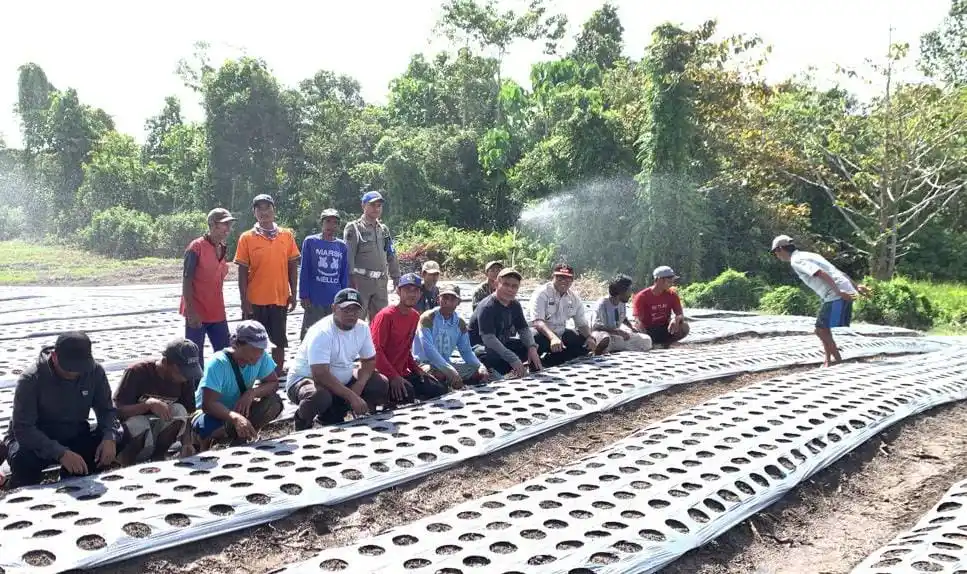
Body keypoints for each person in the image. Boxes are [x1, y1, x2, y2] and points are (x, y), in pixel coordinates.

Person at [4, 332, 121, 488]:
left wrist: (109, 436)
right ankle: (21, 488)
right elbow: (23, 428)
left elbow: (107, 410)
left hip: (73, 432)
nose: (74, 373)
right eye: (68, 368)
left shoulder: (94, 372)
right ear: (54, 356)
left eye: (79, 369)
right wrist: (60, 453)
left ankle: (77, 482)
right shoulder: (32, 379)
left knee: (112, 440)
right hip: (36, 439)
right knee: (23, 459)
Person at [286, 288, 390, 430]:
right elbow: (320, 374)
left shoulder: (362, 328)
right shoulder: (322, 332)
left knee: (379, 383)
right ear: (334, 308)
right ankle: (302, 421)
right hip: (307, 379)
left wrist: (359, 384)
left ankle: (339, 412)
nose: (351, 315)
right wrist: (352, 396)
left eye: (355, 310)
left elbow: (369, 361)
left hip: (341, 379)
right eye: (346, 310)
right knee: (319, 397)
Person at [771, 235, 870, 367]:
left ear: (780, 249)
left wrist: (839, 292)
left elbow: (821, 273)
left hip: (836, 294)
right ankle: (828, 361)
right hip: (842, 290)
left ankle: (838, 362)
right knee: (824, 329)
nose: (776, 256)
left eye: (775, 253)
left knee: (820, 330)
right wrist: (855, 286)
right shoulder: (809, 255)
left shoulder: (797, 260)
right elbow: (837, 272)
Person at [235, 194, 301, 374]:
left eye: (267, 208)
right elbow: (241, 271)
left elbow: (292, 266)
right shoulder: (246, 238)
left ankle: (276, 374)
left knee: (279, 340)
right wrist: (243, 299)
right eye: (259, 209)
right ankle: (249, 374)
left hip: (279, 298)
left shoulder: (286, 235)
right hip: (255, 299)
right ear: (254, 212)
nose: (264, 212)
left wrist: (293, 293)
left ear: (274, 210)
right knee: (249, 340)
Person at [192, 321, 284, 449]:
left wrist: (252, 393)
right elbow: (208, 405)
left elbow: (273, 383)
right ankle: (209, 443)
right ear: (237, 345)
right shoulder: (218, 363)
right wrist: (235, 418)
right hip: (211, 414)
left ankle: (242, 436)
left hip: (238, 410)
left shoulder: (261, 357)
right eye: (254, 349)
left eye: (262, 349)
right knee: (212, 428)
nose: (259, 354)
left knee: (273, 402)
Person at [114, 339, 202, 465]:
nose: (184, 377)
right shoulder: (138, 372)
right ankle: (126, 464)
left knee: (179, 410)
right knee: (139, 423)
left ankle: (159, 457)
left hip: (158, 432)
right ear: (165, 362)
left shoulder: (186, 379)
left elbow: (187, 413)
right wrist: (147, 406)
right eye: (180, 372)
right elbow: (117, 410)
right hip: (132, 435)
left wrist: (186, 443)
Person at [370, 273, 448, 404]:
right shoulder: (386, 316)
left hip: (402, 372)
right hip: (382, 373)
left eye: (416, 290)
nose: (411, 294)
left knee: (439, 389)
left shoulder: (414, 316)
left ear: (420, 294)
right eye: (407, 290)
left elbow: (406, 349)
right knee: (408, 394)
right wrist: (393, 376)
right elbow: (375, 352)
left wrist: (417, 370)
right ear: (398, 291)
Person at [181, 207, 235, 366]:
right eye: (224, 224)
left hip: (217, 310)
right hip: (197, 311)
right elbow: (187, 280)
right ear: (212, 225)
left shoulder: (222, 248)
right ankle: (197, 389)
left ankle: (223, 386)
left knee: (225, 353)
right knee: (194, 357)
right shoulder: (196, 247)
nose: (228, 229)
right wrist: (191, 311)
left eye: (229, 225)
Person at [468, 268, 543, 378]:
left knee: (536, 342)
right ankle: (503, 371)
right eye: (506, 285)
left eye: (514, 286)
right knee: (492, 355)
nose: (510, 289)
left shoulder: (515, 304)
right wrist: (513, 358)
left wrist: (532, 347)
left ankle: (519, 368)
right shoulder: (487, 307)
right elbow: (489, 339)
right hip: (482, 347)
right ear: (496, 284)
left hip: (502, 343)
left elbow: (523, 329)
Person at [413, 284, 490, 388]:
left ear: (458, 302)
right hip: (424, 363)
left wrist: (480, 365)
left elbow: (466, 351)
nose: (448, 302)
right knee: (437, 376)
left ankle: (454, 382)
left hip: (446, 364)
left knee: (481, 373)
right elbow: (429, 350)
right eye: (445, 298)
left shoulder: (460, 323)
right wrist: (450, 371)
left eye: (452, 299)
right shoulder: (428, 318)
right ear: (438, 299)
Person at [529, 263, 604, 367]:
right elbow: (538, 322)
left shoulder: (574, 297)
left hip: (560, 333)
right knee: (535, 339)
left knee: (583, 342)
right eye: (560, 278)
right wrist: (553, 338)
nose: (564, 281)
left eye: (568, 278)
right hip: (541, 333)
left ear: (572, 280)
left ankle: (549, 362)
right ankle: (532, 364)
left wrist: (589, 337)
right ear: (553, 277)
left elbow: (581, 323)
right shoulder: (542, 293)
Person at [344, 190, 401, 320]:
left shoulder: (384, 229)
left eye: (379, 205)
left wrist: (396, 276)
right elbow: (349, 256)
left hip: (381, 282)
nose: (376, 208)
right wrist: (351, 281)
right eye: (372, 205)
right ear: (363, 206)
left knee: (381, 320)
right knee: (357, 319)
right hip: (361, 281)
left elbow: (391, 253)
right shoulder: (354, 228)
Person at [299, 208, 350, 339]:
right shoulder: (311, 242)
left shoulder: (342, 246)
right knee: (311, 334)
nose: (330, 225)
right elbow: (305, 269)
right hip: (315, 298)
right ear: (321, 223)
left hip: (334, 298)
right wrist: (304, 294)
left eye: (334, 222)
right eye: (327, 221)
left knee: (333, 334)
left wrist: (344, 298)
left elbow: (344, 274)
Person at [592, 275, 653, 353]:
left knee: (646, 340)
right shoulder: (602, 304)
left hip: (617, 336)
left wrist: (631, 327)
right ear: (621, 292)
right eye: (629, 290)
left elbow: (623, 317)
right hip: (604, 335)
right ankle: (602, 349)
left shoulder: (622, 302)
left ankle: (615, 348)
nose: (631, 293)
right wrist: (617, 332)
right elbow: (595, 328)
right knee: (604, 339)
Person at [633, 266, 690, 348]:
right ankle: (650, 344)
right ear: (659, 280)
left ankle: (666, 344)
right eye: (669, 281)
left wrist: (676, 319)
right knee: (636, 328)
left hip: (665, 328)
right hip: (647, 330)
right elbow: (638, 321)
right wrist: (645, 337)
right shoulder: (642, 296)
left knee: (684, 326)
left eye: (672, 281)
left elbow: (680, 315)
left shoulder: (672, 295)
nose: (671, 284)